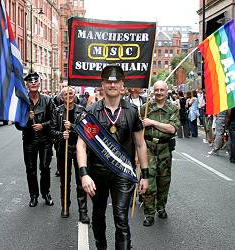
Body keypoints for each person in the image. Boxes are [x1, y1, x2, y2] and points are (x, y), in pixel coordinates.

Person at [76, 65, 149, 250]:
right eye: (108, 81)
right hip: (97, 173)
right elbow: (81, 145)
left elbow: (140, 144)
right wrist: (84, 174)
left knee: (121, 218)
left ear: (122, 84)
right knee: (98, 216)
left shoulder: (132, 112)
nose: (112, 84)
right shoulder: (91, 111)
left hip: (122, 174)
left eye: (116, 81)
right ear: (102, 84)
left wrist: (145, 175)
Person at [141, 80, 180, 226]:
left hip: (164, 149)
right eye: (156, 90)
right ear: (153, 91)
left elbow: (172, 129)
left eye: (161, 90)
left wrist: (152, 123)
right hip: (148, 148)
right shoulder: (145, 108)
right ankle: (149, 213)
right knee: (149, 182)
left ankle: (161, 207)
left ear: (166, 91)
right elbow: (138, 131)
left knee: (164, 181)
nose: (158, 93)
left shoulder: (173, 108)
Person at [49, 87, 90, 222]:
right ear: (62, 97)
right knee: (64, 180)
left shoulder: (81, 110)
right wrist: (61, 134)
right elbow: (52, 130)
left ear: (75, 95)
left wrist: (72, 126)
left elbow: (87, 130)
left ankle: (83, 211)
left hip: (79, 149)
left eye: (71, 93)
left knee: (81, 180)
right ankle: (65, 206)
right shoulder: (57, 111)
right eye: (65, 94)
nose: (68, 96)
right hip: (63, 149)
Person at [15, 72, 54, 207]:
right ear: (27, 85)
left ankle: (46, 193)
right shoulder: (23, 102)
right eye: (30, 81)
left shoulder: (48, 100)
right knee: (30, 169)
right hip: (29, 140)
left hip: (45, 140)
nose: (33, 83)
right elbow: (18, 126)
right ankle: (33, 195)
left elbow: (54, 121)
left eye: (35, 81)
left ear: (39, 84)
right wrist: (26, 118)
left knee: (44, 167)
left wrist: (42, 125)